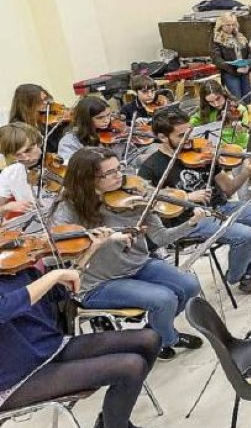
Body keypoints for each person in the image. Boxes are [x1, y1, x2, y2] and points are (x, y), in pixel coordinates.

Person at [55, 147, 205, 360]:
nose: (119, 176)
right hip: (98, 283)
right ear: (87, 179)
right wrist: (100, 239)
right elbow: (57, 253)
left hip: (139, 265)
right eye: (109, 173)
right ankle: (167, 338)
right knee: (164, 299)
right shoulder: (69, 208)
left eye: (119, 168)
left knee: (190, 285)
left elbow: (161, 238)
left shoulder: (134, 195)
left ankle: (156, 334)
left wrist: (190, 223)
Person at [0, 245, 160, 428]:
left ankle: (111, 421)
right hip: (16, 377)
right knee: (131, 366)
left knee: (149, 339)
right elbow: (4, 308)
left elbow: (66, 291)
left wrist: (90, 251)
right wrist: (53, 276)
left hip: (50, 347)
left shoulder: (16, 267)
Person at [141, 110, 251, 293]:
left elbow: (229, 188)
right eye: (181, 136)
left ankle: (249, 268)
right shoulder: (151, 166)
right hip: (190, 219)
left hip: (221, 207)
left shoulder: (201, 153)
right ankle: (240, 276)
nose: (189, 139)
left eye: (190, 132)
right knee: (246, 235)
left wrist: (247, 171)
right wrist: (186, 197)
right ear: (162, 137)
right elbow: (148, 199)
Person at [189, 79, 251, 149]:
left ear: (223, 93)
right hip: (216, 148)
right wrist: (189, 126)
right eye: (211, 102)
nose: (216, 104)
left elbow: (244, 134)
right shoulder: (207, 110)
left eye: (218, 99)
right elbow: (194, 120)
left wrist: (240, 129)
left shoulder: (239, 109)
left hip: (238, 146)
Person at [0, 123, 42, 223]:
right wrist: (6, 207)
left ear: (38, 142)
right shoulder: (9, 173)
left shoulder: (61, 165)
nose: (26, 158)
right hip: (35, 229)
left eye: (28, 150)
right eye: (17, 154)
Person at [210, 13, 251, 101]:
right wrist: (233, 69)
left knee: (248, 98)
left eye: (233, 24)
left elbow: (250, 53)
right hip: (230, 73)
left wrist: (248, 66)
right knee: (236, 99)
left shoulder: (240, 36)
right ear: (221, 25)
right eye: (228, 25)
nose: (231, 27)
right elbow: (216, 59)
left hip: (244, 71)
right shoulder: (216, 39)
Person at [57, 96, 111, 164]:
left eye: (108, 115)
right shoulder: (69, 141)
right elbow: (69, 167)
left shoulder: (111, 133)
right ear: (86, 119)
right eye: (100, 118)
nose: (106, 120)